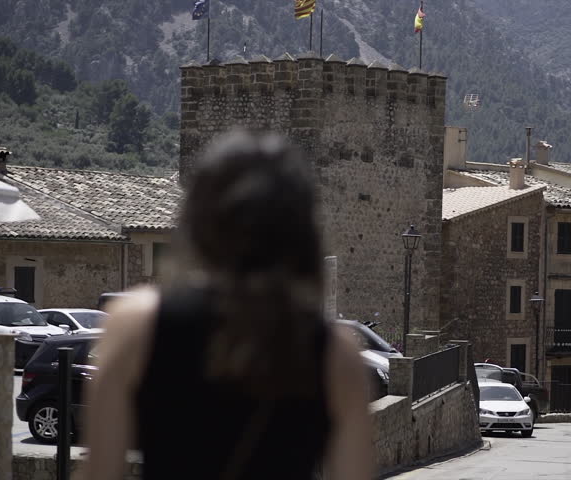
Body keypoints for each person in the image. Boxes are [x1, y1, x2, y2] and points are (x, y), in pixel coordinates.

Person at [80, 131, 373, 479]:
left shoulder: (136, 326)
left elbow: (101, 471)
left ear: (200, 220)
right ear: (301, 232)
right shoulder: (338, 357)